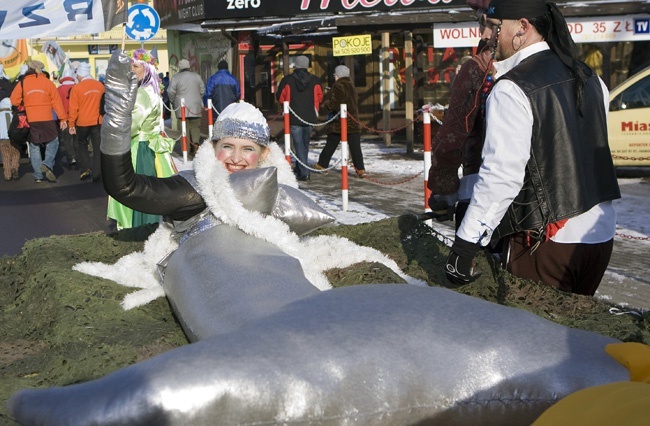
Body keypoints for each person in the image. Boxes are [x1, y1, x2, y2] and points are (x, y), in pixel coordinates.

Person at [444, 0, 621, 296]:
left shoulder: (511, 88)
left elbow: (501, 177)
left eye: (493, 27)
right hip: (599, 238)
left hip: (545, 243)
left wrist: (464, 246)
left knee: (533, 338)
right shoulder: (591, 77)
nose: (487, 36)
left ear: (522, 28)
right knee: (575, 333)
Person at [427, 8, 495, 229]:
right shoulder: (562, 67)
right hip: (549, 206)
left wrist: (444, 186)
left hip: (481, 188)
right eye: (483, 24)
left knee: (474, 261)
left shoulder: (478, 67)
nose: (484, 34)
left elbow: (454, 131)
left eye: (491, 25)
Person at [106, 49, 177, 229]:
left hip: (141, 148)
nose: (131, 69)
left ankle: (140, 228)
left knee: (138, 192)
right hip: (152, 148)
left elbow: (131, 125)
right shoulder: (151, 91)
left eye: (135, 66)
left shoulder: (142, 94)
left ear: (146, 70)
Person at [10, 60, 67, 183]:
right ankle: (47, 163)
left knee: (34, 145)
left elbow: (14, 100)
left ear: (28, 69)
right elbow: (56, 102)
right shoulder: (47, 83)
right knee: (53, 141)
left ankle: (38, 176)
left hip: (32, 118)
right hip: (47, 117)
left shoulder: (23, 83)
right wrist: (62, 118)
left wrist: (25, 102)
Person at [276, 55, 323, 181]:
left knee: (298, 145)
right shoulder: (315, 80)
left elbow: (280, 96)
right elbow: (320, 96)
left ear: (295, 65)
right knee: (305, 144)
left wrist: (285, 105)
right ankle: (301, 168)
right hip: (310, 116)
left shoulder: (287, 80)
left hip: (293, 115)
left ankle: (304, 172)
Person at [315, 65, 366, 178]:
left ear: (338, 75)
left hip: (339, 121)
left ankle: (322, 164)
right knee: (355, 146)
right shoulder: (351, 85)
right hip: (352, 120)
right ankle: (360, 169)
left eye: (335, 75)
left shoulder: (338, 85)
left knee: (331, 143)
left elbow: (335, 102)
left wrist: (326, 106)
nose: (334, 77)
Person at [68, 62, 105, 181]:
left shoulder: (76, 88)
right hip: (98, 121)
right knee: (98, 147)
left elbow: (73, 108)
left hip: (82, 122)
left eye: (77, 75)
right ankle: (97, 172)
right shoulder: (100, 86)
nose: (77, 78)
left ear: (80, 74)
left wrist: (71, 123)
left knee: (82, 145)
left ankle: (85, 169)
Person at [167, 59, 205, 152]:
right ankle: (196, 144)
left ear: (180, 67)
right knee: (195, 126)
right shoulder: (197, 76)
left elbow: (170, 91)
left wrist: (173, 101)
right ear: (189, 66)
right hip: (195, 106)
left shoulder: (176, 77)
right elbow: (202, 89)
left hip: (181, 107)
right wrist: (197, 98)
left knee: (184, 128)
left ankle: (186, 149)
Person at [57, 68, 78, 169]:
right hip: (77, 117)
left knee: (66, 139)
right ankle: (78, 155)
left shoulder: (59, 89)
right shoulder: (76, 87)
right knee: (76, 138)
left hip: (63, 118)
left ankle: (71, 157)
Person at [0, 97, 20, 181]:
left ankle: (7, 175)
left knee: (6, 156)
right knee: (15, 153)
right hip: (13, 138)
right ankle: (14, 167)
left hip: (2, 139)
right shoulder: (14, 115)